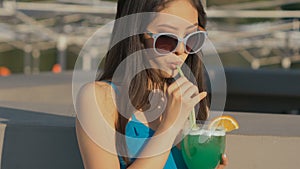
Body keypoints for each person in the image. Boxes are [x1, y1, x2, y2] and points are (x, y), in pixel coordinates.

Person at [75, 0, 228, 168]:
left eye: (193, 38)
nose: (181, 50)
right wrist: (170, 126)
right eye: (166, 39)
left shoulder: (191, 104)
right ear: (137, 35)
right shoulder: (99, 99)